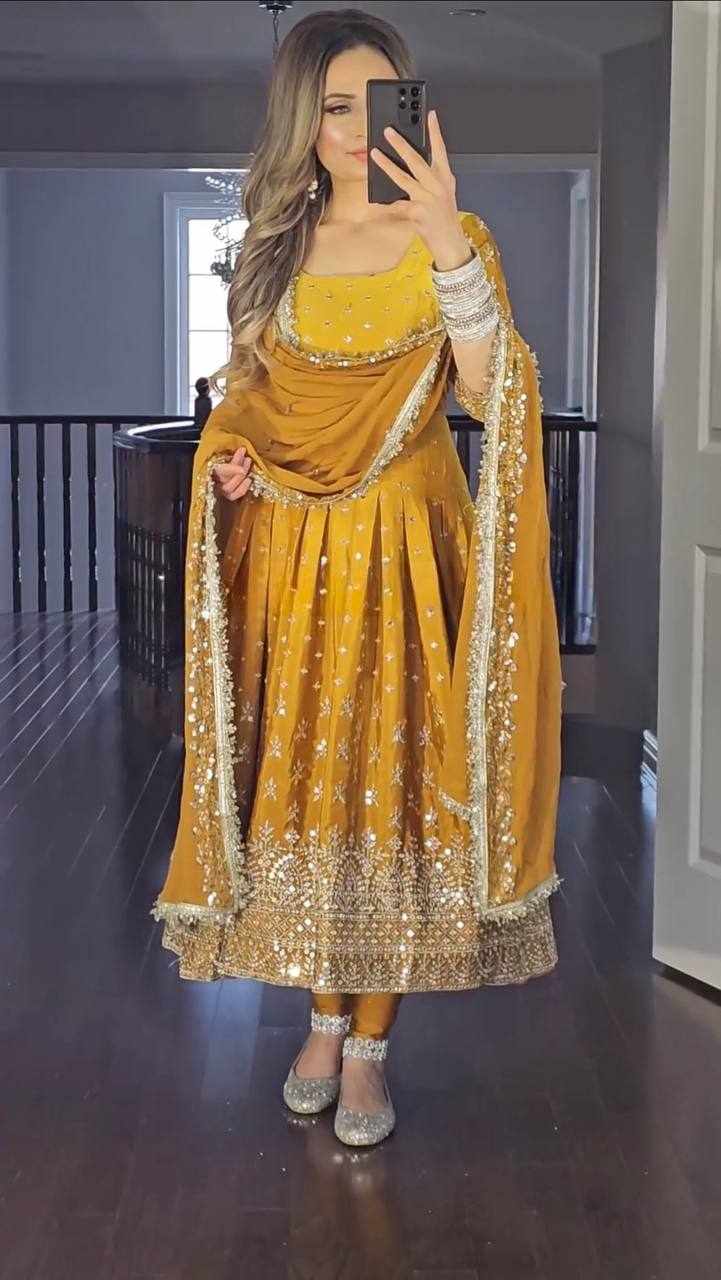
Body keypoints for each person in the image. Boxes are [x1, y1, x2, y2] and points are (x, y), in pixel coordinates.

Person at [150, 8, 563, 1147]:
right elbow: (253, 401)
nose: (356, 128)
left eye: (378, 102)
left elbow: (490, 392)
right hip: (300, 558)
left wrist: (443, 240)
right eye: (334, 106)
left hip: (411, 549)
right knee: (312, 787)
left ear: (410, 110)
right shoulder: (275, 246)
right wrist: (233, 461)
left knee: (401, 789)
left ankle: (370, 1046)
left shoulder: (454, 237)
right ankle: (320, 1023)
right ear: (302, 115)